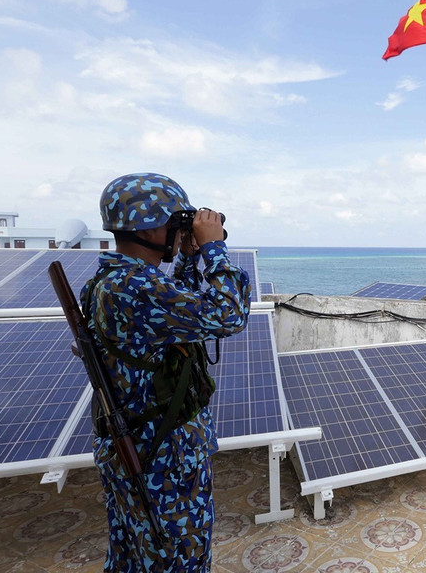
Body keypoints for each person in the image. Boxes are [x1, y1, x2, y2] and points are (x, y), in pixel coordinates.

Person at [81, 172, 251, 572]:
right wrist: (214, 249)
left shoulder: (118, 281)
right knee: (179, 560)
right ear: (153, 228)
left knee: (134, 556)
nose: (181, 231)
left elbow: (182, 309)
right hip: (162, 460)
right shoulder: (134, 288)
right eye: (176, 223)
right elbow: (229, 314)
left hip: (142, 446)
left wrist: (190, 256)